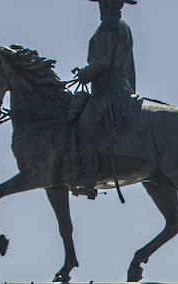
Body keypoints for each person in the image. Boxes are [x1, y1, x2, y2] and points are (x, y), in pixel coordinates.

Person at [68, 0, 139, 191]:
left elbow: (104, 60)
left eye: (102, 4)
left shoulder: (109, 27)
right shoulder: (123, 27)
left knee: (85, 124)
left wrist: (86, 73)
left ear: (109, 6)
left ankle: (89, 175)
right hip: (117, 86)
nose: (100, 9)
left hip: (110, 89)